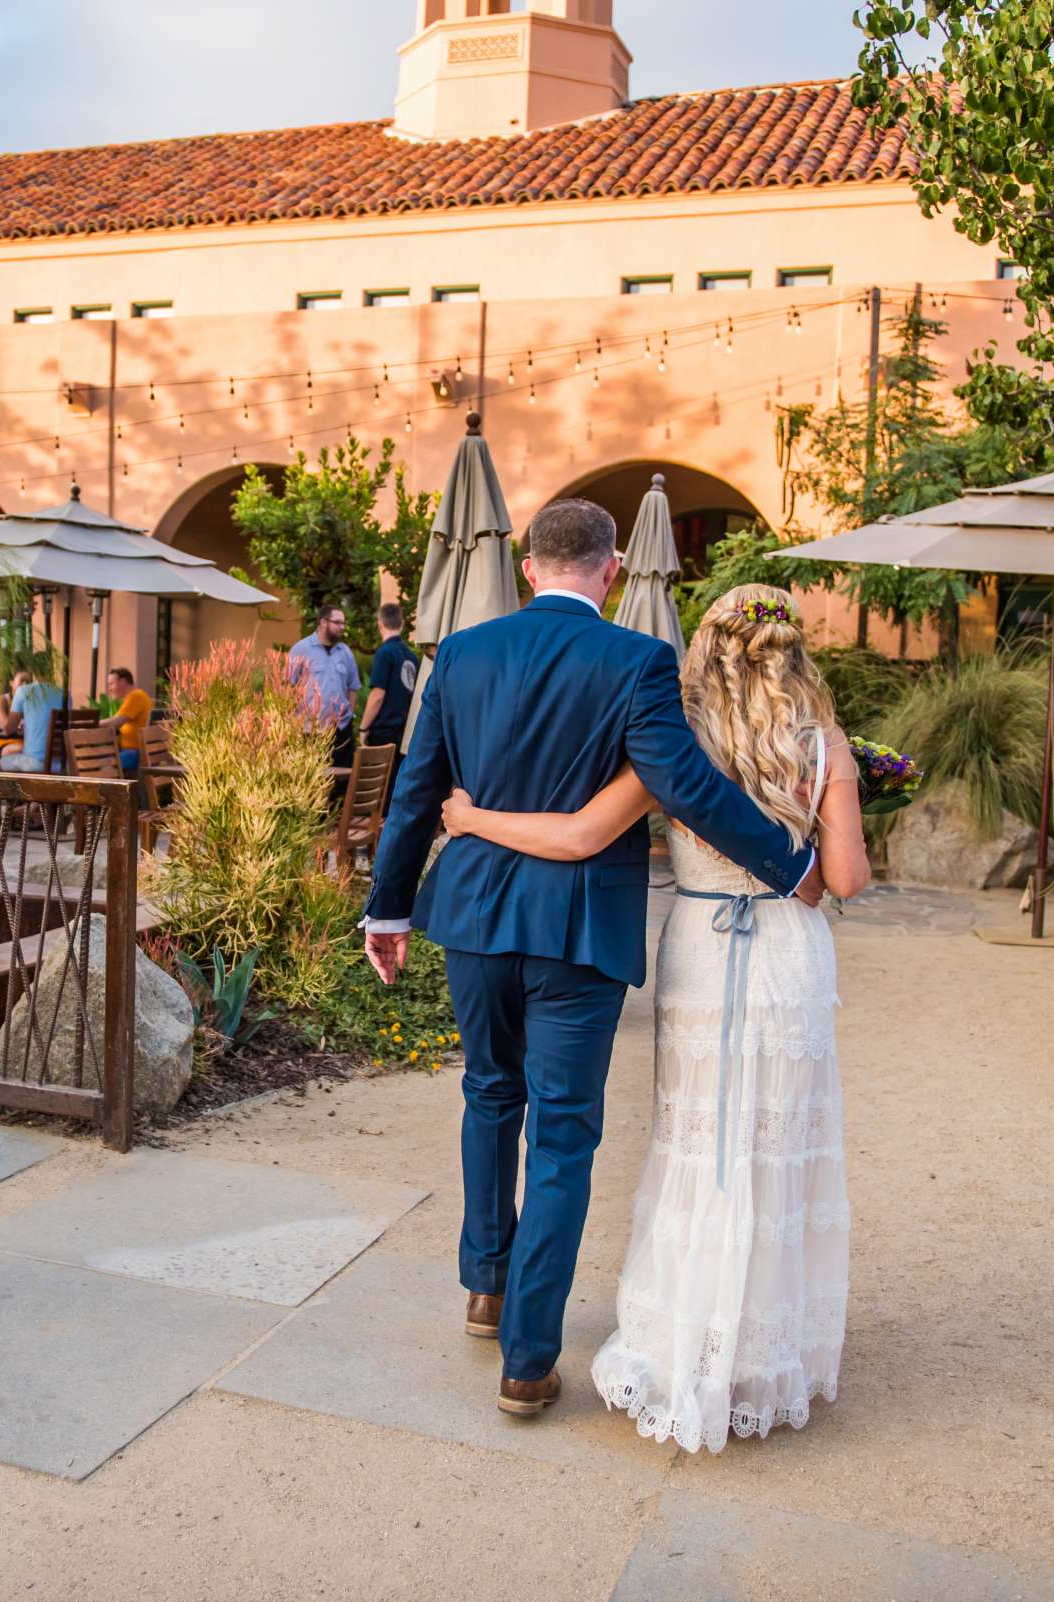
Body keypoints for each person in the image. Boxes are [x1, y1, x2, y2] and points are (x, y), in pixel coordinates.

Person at [362, 500, 825, 1423]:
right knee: (564, 1134)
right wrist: (793, 865)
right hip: (576, 934)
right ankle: (529, 1363)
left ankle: (485, 1289)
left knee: (490, 1095)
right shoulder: (638, 661)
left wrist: (389, 905)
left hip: (475, 922)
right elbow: (683, 785)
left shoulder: (460, 655)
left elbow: (416, 790)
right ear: (611, 570)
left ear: (530, 567)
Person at [435, 584, 867, 1451]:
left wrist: (470, 815)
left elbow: (581, 835)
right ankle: (762, 1345)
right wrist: (802, 857)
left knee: (699, 1145)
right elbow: (846, 880)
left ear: (707, 650)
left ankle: (681, 1331)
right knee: (775, 1146)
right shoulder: (824, 747)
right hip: (788, 955)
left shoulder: (681, 743)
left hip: (705, 947)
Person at [286, 603, 361, 775]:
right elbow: (288, 686)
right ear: (323, 622)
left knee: (341, 781)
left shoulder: (345, 652)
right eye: (337, 622)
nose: (342, 627)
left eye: (343, 623)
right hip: (310, 731)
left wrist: (348, 714)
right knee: (310, 778)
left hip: (340, 730)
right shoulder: (301, 649)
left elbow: (353, 687)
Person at [361, 601, 418, 756]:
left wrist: (363, 728)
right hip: (404, 733)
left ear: (380, 624)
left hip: (383, 734)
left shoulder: (384, 653)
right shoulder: (411, 657)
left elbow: (378, 695)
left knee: (379, 780)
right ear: (402, 624)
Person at [0, 672, 65, 773]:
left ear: (34, 670)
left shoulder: (23, 691)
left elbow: (9, 729)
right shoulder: (64, 694)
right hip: (60, 764)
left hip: (34, 763)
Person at [104, 667, 153, 776]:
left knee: (97, 766)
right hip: (136, 752)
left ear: (122, 682)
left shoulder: (136, 696)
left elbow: (115, 723)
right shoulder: (134, 697)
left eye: (111, 684)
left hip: (135, 753)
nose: (109, 689)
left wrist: (92, 723)